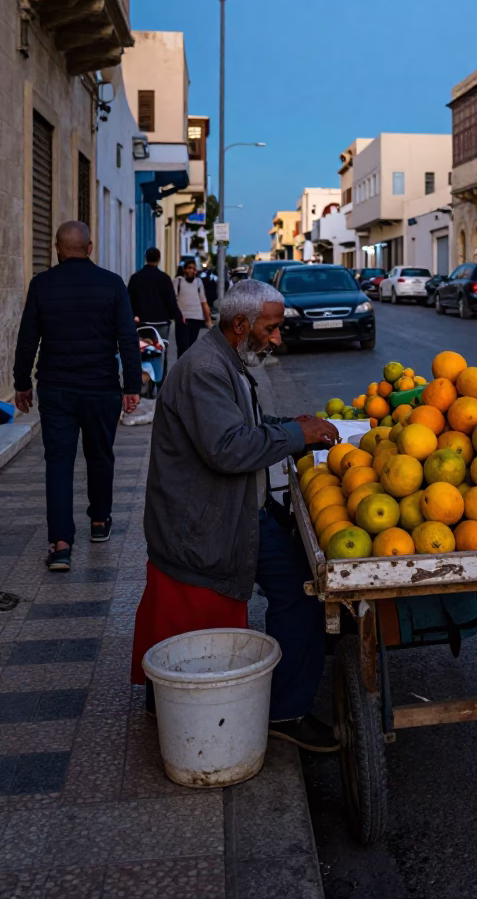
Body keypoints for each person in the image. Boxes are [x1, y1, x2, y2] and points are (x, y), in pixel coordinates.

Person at [130, 280, 339, 751]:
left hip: (237, 511)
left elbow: (241, 426)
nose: (277, 338)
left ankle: (280, 701)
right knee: (292, 595)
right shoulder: (205, 369)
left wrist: (289, 427)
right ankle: (276, 710)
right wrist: (296, 437)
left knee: (301, 587)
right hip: (206, 524)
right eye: (272, 328)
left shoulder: (226, 360)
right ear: (241, 324)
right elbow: (228, 447)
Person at [13, 221, 142, 570]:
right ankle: (99, 522)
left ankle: (61, 544)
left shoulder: (42, 285)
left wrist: (21, 382)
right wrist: (132, 386)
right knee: (100, 455)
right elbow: (128, 339)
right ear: (90, 247)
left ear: (57, 247)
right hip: (101, 389)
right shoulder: (112, 284)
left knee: (58, 463)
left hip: (56, 390)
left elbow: (27, 340)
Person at [127, 246, 182, 344]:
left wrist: (133, 316)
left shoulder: (136, 278)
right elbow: (170, 300)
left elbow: (129, 300)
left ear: (146, 258)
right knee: (160, 347)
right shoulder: (164, 278)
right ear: (159, 259)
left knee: (143, 348)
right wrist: (177, 316)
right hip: (161, 321)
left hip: (142, 322)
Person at [173, 258, 211, 356]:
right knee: (182, 348)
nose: (191, 270)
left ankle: (188, 370)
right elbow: (173, 301)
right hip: (183, 319)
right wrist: (177, 316)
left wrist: (208, 321)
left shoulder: (198, 282)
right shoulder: (178, 281)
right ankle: (180, 369)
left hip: (196, 319)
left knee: (191, 348)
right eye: (189, 268)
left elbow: (204, 302)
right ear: (184, 269)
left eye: (194, 269)